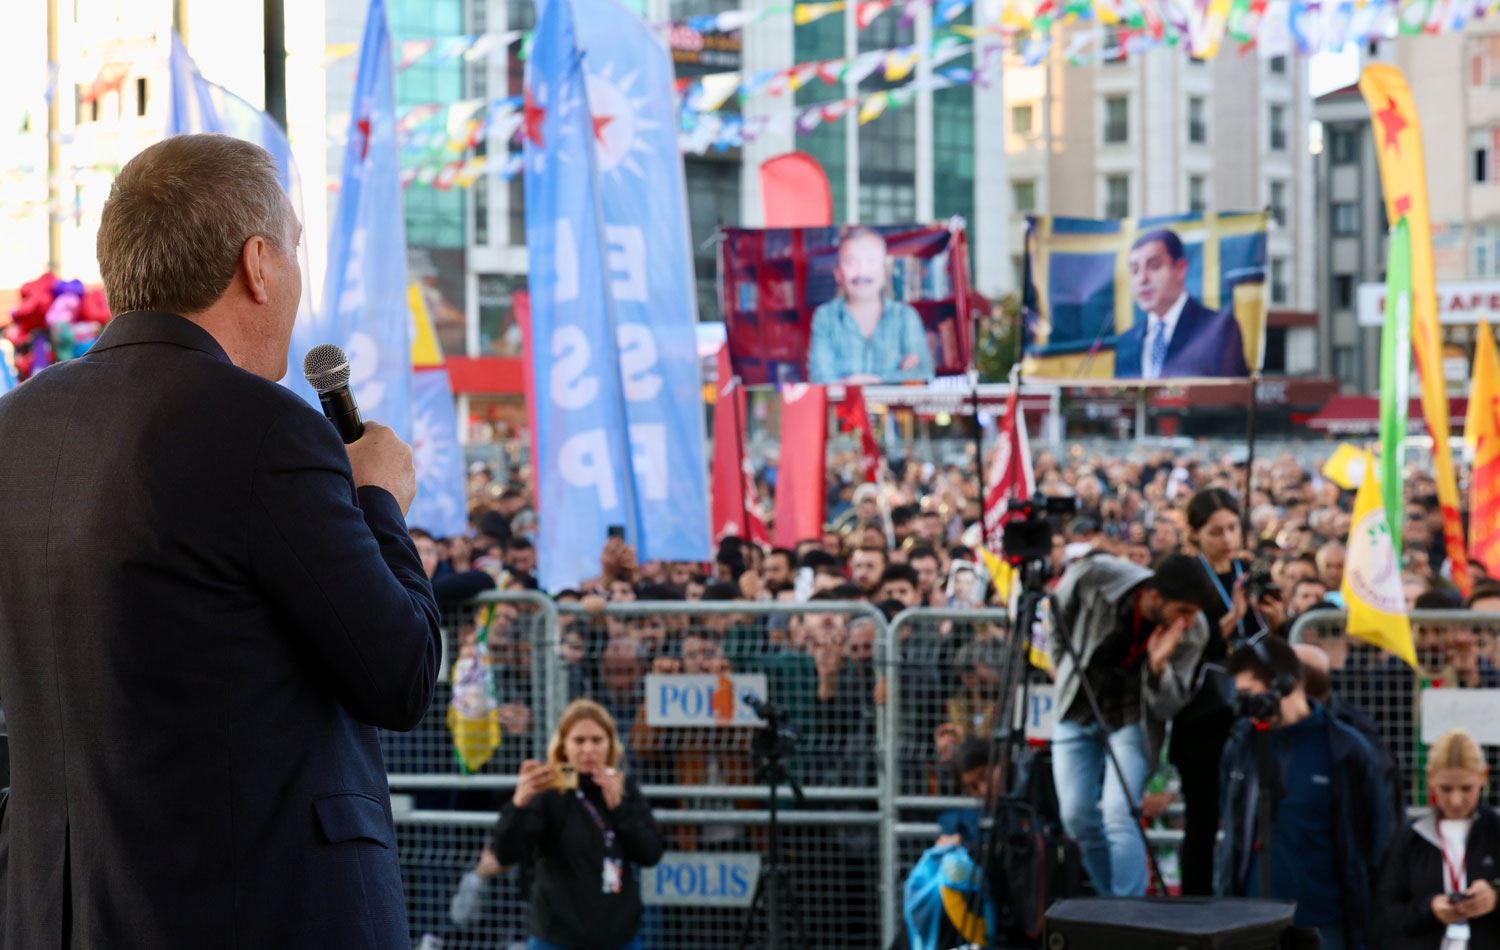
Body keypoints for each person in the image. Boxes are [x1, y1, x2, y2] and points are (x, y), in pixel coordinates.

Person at [0, 135, 442, 943]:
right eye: (296, 251)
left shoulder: (18, 425)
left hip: (61, 913)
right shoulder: (263, 429)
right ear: (258, 264)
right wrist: (379, 497)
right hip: (249, 910)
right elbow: (400, 671)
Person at [1217, 633, 1395, 950]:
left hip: (1325, 923)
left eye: (1248, 693)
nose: (1244, 706)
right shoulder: (1242, 745)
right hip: (1250, 922)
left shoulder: (1344, 749)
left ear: (1286, 684)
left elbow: (1376, 838)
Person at [1048, 552, 1211, 897]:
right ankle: (1112, 908)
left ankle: (1129, 912)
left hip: (1131, 720)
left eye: (1193, 614)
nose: (1187, 621)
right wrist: (1061, 664)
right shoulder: (1098, 577)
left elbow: (1169, 705)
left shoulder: (1194, 630)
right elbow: (1057, 612)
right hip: (1077, 708)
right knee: (1076, 816)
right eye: (1181, 611)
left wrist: (1158, 667)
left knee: (1120, 814)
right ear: (1154, 596)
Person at [494, 699, 663, 950]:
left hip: (618, 935)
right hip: (557, 935)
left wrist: (620, 809)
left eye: (597, 740)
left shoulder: (623, 787)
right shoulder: (549, 791)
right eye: (579, 740)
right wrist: (518, 804)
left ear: (610, 743)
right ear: (563, 745)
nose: (588, 750)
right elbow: (506, 852)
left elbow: (650, 853)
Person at [1377, 729, 1500, 949]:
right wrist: (1429, 909)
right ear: (1430, 777)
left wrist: (1494, 896)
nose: (1455, 800)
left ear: (1483, 776)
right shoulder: (1410, 838)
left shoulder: (1495, 831)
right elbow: (1386, 913)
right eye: (1445, 789)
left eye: (1466, 788)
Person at [1114, 228, 1251, 379]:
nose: (1142, 279)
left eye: (1154, 266)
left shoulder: (1218, 329)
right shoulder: (1127, 341)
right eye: (1134, 271)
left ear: (1180, 269)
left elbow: (1231, 397)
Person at [807, 227, 934, 384]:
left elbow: (924, 374)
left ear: (884, 270)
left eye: (870, 261)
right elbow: (819, 379)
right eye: (851, 262)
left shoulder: (906, 316)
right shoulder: (824, 317)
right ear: (838, 273)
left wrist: (870, 380)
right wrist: (897, 377)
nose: (862, 272)